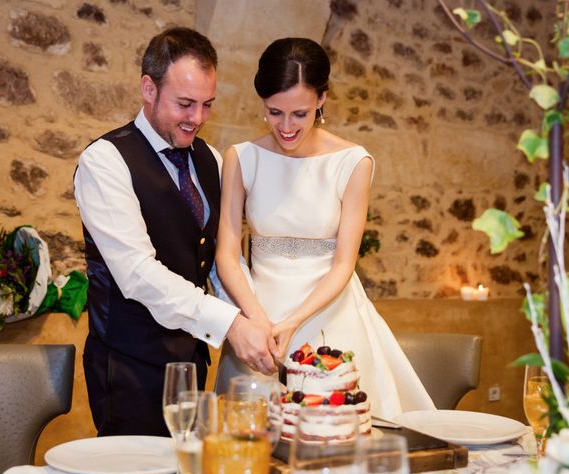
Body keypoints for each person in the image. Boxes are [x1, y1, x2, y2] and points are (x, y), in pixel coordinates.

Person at [214, 37, 435, 418]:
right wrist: (259, 321)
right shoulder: (242, 158)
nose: (285, 126)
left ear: (322, 99)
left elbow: (343, 264)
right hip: (257, 319)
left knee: (334, 436)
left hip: (329, 314)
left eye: (299, 113)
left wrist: (293, 321)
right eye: (273, 112)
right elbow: (227, 255)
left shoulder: (353, 162)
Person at [74, 26, 277, 438]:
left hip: (191, 363)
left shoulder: (212, 160)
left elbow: (222, 257)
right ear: (148, 89)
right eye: (185, 104)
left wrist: (256, 317)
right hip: (128, 368)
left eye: (207, 105)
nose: (197, 119)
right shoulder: (105, 161)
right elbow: (136, 273)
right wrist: (230, 325)